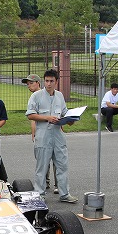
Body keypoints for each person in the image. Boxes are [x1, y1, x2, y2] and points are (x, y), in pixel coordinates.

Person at [25, 69, 78, 204]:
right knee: (42, 166)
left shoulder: (59, 96)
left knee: (62, 165)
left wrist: (71, 119)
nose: (48, 84)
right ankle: (39, 194)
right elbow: (30, 114)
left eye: (51, 81)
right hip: (43, 136)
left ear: (56, 82)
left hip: (58, 136)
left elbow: (64, 112)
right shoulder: (36, 96)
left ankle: (64, 193)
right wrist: (47, 118)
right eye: (47, 81)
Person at [23, 73, 56, 193]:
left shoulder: (44, 96)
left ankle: (57, 184)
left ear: (38, 83)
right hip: (40, 133)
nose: (29, 86)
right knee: (42, 159)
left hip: (50, 132)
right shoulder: (34, 97)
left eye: (31, 83)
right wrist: (34, 133)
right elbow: (33, 118)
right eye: (27, 84)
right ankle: (45, 182)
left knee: (54, 158)